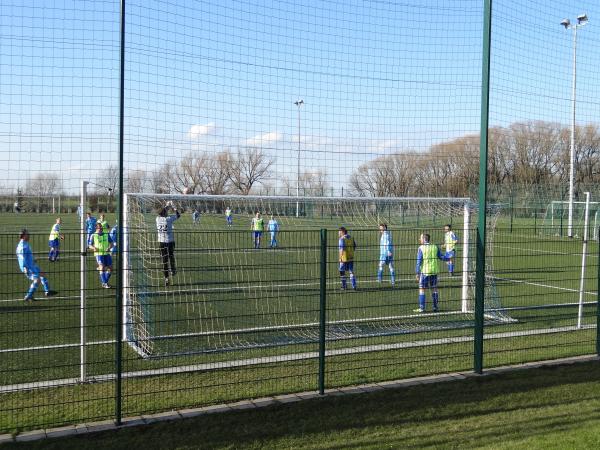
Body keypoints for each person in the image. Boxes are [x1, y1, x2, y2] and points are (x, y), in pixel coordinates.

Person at [17, 229, 56, 301]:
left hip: (31, 264)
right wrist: (25, 267)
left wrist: (32, 259)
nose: (29, 235)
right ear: (24, 236)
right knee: (37, 280)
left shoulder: (24, 243)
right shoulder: (23, 246)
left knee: (42, 274)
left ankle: (47, 291)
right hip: (28, 267)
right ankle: (28, 296)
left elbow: (26, 255)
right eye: (27, 234)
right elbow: (22, 257)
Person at [414, 233, 449, 313]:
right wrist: (448, 259)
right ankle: (435, 307)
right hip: (434, 271)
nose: (420, 240)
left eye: (421, 238)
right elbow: (441, 257)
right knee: (434, 289)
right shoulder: (435, 246)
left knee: (422, 289)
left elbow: (419, 261)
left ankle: (422, 308)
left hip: (425, 272)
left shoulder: (421, 248)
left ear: (424, 239)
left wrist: (417, 272)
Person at [156, 202, 180, 286]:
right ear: (165, 213)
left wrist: (167, 206)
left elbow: (162, 211)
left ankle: (166, 278)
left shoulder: (157, 219)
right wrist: (174, 207)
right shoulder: (169, 219)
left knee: (164, 261)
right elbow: (178, 215)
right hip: (170, 241)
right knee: (171, 256)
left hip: (161, 242)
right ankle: (173, 270)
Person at [89, 222, 114, 288]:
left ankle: (104, 282)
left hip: (106, 253)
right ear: (96, 228)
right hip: (99, 254)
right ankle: (105, 283)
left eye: (101, 227)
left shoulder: (106, 234)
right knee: (102, 267)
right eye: (98, 228)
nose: (100, 229)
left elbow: (112, 243)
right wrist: (93, 248)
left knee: (111, 268)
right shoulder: (93, 235)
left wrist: (109, 248)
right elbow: (89, 245)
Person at [338, 226, 357, 290]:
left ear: (343, 231)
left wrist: (340, 258)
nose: (339, 233)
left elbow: (341, 249)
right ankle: (354, 286)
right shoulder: (351, 238)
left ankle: (344, 286)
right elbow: (354, 246)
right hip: (351, 257)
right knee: (351, 271)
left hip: (344, 258)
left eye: (339, 232)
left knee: (342, 271)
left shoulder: (342, 239)